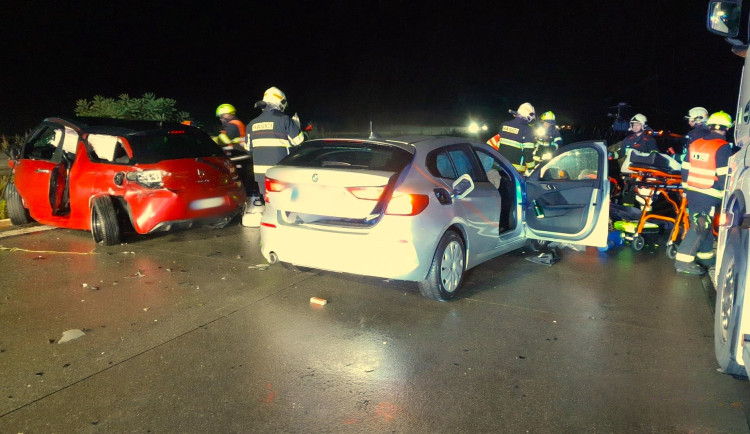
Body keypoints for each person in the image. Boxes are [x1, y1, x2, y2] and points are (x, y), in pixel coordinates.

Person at [674, 111, 733, 275]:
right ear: (726, 128)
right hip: (709, 193)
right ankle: (683, 261)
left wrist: (686, 189)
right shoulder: (722, 146)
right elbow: (723, 175)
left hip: (692, 191)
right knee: (701, 225)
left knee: (702, 224)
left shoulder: (696, 143)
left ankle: (705, 257)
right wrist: (726, 194)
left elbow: (685, 168)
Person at [246, 86, 305, 198]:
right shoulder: (284, 120)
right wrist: (297, 127)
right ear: (279, 102)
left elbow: (248, 149)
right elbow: (300, 142)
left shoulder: (252, 124)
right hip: (280, 173)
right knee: (283, 203)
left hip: (261, 176)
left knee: (268, 204)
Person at [497, 102, 536, 174]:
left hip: (500, 165)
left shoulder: (504, 125)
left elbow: (497, 144)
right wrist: (531, 167)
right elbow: (528, 151)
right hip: (516, 170)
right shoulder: (527, 129)